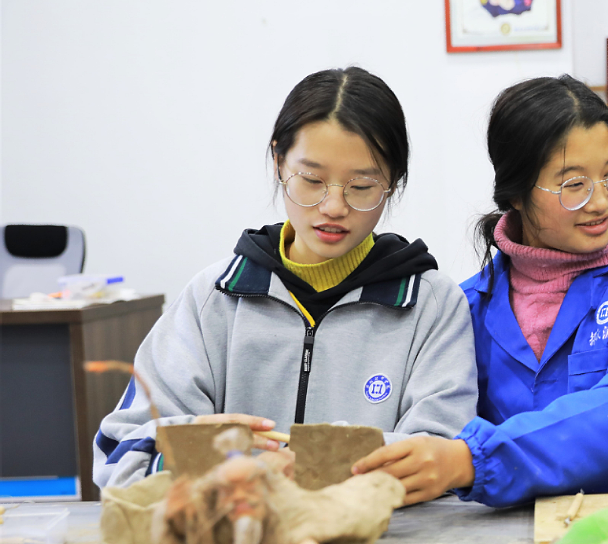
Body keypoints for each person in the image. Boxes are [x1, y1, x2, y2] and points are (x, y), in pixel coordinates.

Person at [93, 67, 478, 495]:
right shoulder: (213, 299)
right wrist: (207, 458)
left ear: (393, 181)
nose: (333, 206)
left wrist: (308, 466)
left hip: (379, 535)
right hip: (231, 532)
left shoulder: (431, 305)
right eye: (311, 180)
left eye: (362, 186)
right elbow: (118, 458)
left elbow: (439, 462)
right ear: (279, 162)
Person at [354, 75, 608, 507]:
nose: (601, 202)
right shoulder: (466, 309)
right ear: (517, 194)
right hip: (522, 537)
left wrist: (473, 459)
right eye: (574, 185)